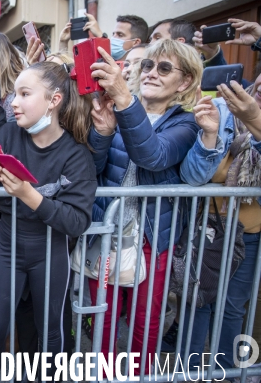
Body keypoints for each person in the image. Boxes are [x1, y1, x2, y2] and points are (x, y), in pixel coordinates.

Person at [0, 61, 98, 381]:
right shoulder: (10, 132)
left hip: (50, 251)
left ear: (54, 101)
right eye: (14, 93)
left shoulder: (76, 153)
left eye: (24, 94)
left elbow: (78, 221)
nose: (13, 102)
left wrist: (30, 196)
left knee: (51, 335)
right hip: (8, 247)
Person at [87, 38, 202, 375]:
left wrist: (124, 99)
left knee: (144, 322)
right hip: (108, 235)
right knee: (102, 318)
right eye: (148, 65)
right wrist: (103, 135)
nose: (151, 72)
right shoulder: (122, 111)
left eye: (164, 68)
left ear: (183, 82)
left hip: (152, 240)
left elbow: (153, 156)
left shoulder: (186, 123)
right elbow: (94, 170)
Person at [177, 72, 261, 371]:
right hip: (208, 229)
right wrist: (210, 134)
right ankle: (190, 371)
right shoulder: (224, 111)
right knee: (196, 302)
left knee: (233, 307)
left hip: (248, 235)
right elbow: (197, 175)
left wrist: (256, 121)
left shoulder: (249, 115)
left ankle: (227, 372)